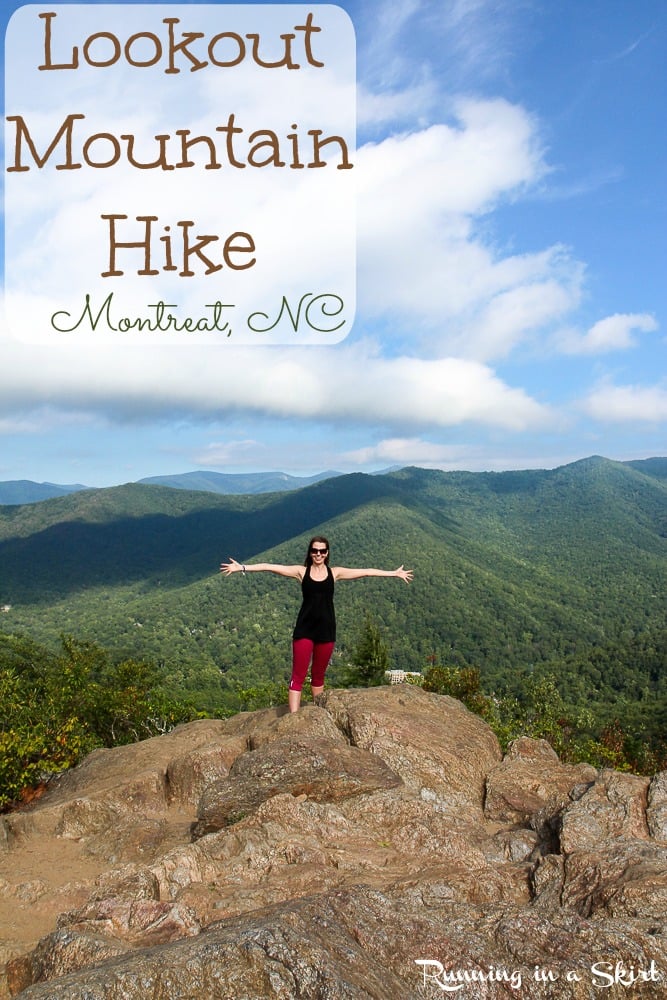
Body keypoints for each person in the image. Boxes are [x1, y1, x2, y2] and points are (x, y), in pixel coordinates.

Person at [220, 536, 413, 712]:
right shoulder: (301, 572)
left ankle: (317, 715)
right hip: (304, 630)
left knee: (319, 676)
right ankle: (294, 719)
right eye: (314, 551)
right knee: (298, 676)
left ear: (327, 553)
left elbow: (366, 572)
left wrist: (393, 574)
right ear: (310, 552)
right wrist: (242, 567)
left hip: (327, 631)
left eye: (322, 551)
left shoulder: (335, 573)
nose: (318, 554)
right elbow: (270, 566)